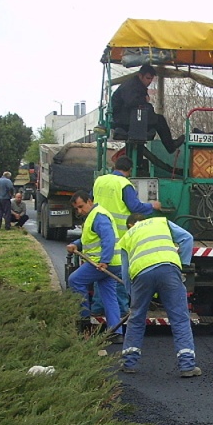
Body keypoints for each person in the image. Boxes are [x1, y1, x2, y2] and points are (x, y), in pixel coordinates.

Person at [117, 213, 199, 378]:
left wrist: (132, 295)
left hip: (141, 274)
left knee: (137, 318)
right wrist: (181, 264)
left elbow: (125, 272)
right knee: (180, 318)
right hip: (168, 269)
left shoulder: (127, 236)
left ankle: (129, 363)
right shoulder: (161, 222)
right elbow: (187, 238)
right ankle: (187, 366)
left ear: (130, 225)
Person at [90, 155, 162, 316]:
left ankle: (97, 308)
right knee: (119, 273)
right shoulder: (124, 184)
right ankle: (122, 310)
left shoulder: (100, 180)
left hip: (98, 232)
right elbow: (134, 206)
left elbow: (90, 200)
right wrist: (152, 205)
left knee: (100, 268)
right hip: (119, 235)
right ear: (129, 170)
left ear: (115, 166)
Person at [65, 190, 122, 335]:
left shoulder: (99, 216)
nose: (79, 211)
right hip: (111, 264)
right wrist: (76, 244)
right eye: (76, 208)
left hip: (100, 264)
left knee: (75, 280)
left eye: (81, 206)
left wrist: (105, 261)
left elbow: (108, 239)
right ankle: (116, 331)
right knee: (109, 297)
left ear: (89, 201)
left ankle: (84, 323)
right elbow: (89, 240)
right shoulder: (93, 216)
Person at [111, 63, 184, 154]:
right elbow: (130, 102)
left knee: (157, 119)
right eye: (148, 78)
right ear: (140, 76)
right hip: (123, 119)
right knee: (159, 120)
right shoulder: (131, 85)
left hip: (130, 117)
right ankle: (170, 146)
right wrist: (144, 100)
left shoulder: (136, 85)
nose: (149, 81)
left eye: (151, 79)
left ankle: (170, 145)